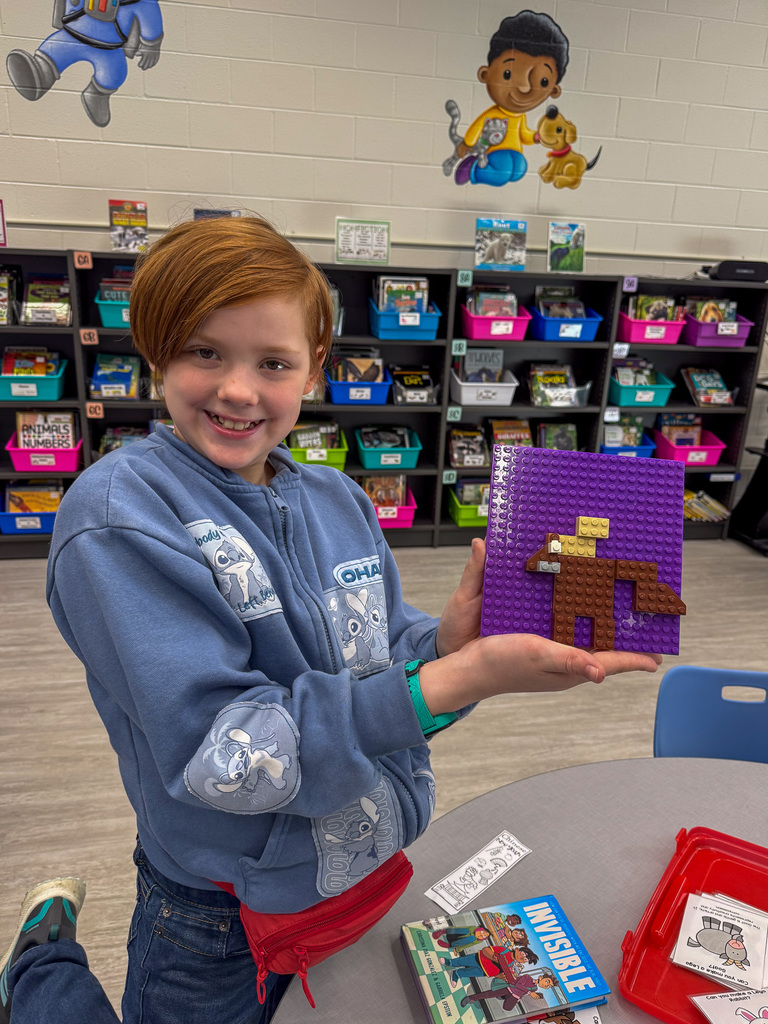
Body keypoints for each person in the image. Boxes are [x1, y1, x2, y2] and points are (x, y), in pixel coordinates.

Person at [0, 215, 661, 1024]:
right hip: (217, 914)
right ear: (157, 349)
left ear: (315, 369)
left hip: (362, 867)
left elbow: (380, 660)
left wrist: (449, 644)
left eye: (272, 362)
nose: (239, 390)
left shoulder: (338, 499)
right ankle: (42, 964)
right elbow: (225, 754)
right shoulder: (119, 518)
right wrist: (455, 678)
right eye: (205, 352)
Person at [454, 11, 569, 186]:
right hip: (495, 151)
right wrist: (467, 143)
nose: (525, 88)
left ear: (553, 90)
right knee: (503, 170)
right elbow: (478, 125)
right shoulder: (493, 113)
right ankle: (473, 169)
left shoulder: (520, 116)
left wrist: (535, 137)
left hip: (514, 150)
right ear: (486, 74)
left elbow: (523, 134)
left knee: (519, 169)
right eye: (508, 74)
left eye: (542, 81)